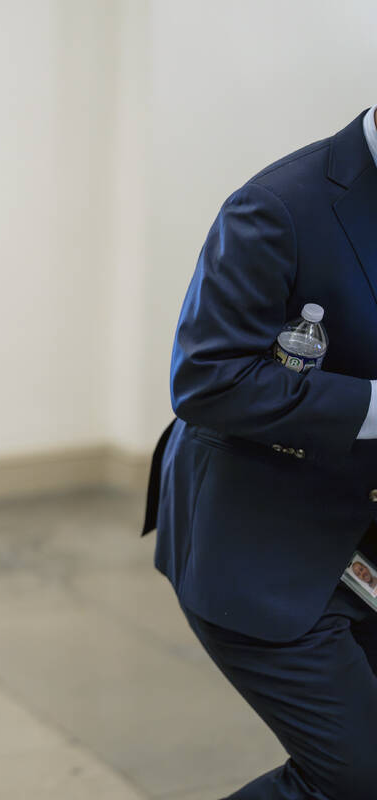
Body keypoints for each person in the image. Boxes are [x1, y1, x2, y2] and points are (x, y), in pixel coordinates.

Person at [144, 105, 377, 799]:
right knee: (357, 779)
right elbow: (210, 379)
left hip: (360, 531)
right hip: (258, 540)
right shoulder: (278, 205)